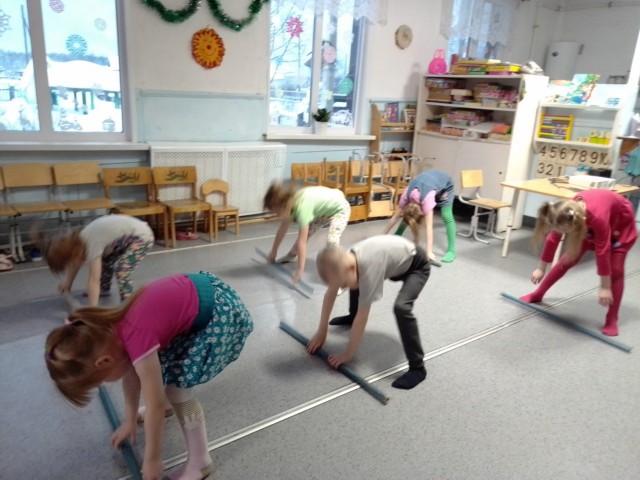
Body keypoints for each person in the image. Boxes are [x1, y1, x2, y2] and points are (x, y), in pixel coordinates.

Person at [44, 272, 253, 480]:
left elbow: (155, 406)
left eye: (102, 380)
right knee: (151, 368)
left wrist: (152, 459)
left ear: (104, 362)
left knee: (178, 392)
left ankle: (201, 461)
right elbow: (132, 375)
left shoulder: (136, 335)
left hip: (219, 312)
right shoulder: (111, 330)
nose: (106, 382)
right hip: (201, 297)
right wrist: (129, 420)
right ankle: (171, 406)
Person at [309, 235, 430, 390]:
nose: (342, 287)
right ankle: (351, 317)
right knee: (355, 282)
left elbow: (363, 317)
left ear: (351, 267)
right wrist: (322, 330)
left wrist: (348, 354)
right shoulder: (345, 261)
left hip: (417, 266)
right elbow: (330, 293)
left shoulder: (368, 268)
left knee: (401, 307)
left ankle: (418, 368)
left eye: (342, 284)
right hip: (394, 261)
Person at [520, 190, 637, 336]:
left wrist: (605, 287)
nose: (565, 234)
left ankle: (612, 318)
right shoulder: (563, 212)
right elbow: (552, 239)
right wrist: (541, 268)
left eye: (566, 231)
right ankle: (538, 293)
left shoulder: (597, 217)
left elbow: (603, 250)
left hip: (620, 224)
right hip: (590, 221)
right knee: (568, 260)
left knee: (616, 269)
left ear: (577, 223)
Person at [40, 214, 154, 306]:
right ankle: (104, 289)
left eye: (69, 262)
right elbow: (74, 264)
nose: (72, 265)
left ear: (73, 253)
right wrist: (68, 284)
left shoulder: (90, 244)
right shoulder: (79, 241)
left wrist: (92, 310)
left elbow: (94, 280)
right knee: (106, 259)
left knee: (122, 272)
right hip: (124, 238)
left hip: (142, 237)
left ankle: (129, 306)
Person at [263, 183, 351, 283]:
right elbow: (282, 229)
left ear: (284, 205)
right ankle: (291, 255)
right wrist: (274, 251)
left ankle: (343, 269)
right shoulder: (289, 202)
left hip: (340, 209)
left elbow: (303, 242)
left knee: (331, 241)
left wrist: (300, 270)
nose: (277, 216)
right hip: (323, 211)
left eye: (277, 213)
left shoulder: (302, 209)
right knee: (305, 235)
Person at [383, 170, 457, 263]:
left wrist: (429, 252)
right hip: (429, 181)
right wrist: (381, 236)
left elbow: (429, 228)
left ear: (422, 213)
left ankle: (452, 251)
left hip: (445, 184)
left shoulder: (427, 201)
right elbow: (394, 218)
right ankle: (397, 235)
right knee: (409, 215)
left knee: (446, 215)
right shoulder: (406, 195)